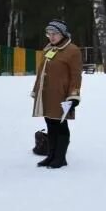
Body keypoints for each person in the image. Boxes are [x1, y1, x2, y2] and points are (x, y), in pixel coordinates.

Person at [32, 19, 82, 168]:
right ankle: (51, 155)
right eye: (49, 33)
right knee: (50, 124)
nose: (52, 36)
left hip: (62, 95)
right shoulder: (49, 49)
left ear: (63, 34)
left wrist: (73, 95)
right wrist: (36, 90)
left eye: (55, 33)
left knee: (60, 125)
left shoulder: (72, 50)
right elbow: (41, 72)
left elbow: (76, 75)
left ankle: (60, 158)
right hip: (47, 94)